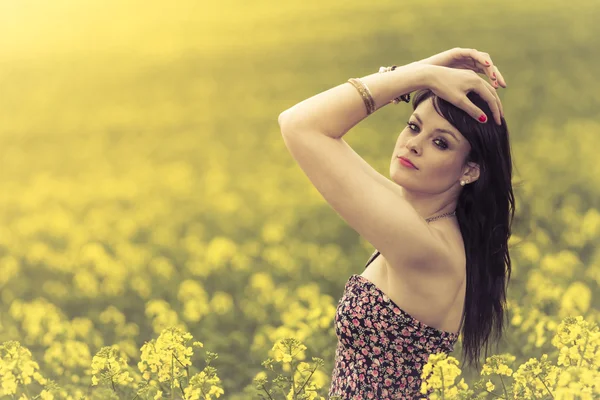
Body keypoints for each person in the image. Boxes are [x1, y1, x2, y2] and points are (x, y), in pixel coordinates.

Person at [278, 47, 515, 399]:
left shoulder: (424, 246)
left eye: (440, 142)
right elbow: (304, 125)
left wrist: (419, 75)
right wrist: (421, 71)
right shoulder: (422, 222)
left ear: (470, 170)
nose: (414, 145)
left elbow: (300, 124)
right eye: (413, 126)